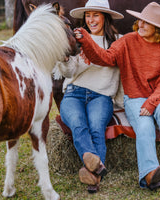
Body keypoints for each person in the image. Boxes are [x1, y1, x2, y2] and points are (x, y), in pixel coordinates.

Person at [75, 2, 160, 190]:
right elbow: (105, 57)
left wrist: (152, 102)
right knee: (144, 124)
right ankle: (149, 173)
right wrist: (86, 40)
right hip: (135, 95)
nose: (140, 25)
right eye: (140, 21)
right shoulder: (127, 41)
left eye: (146, 23)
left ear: (158, 29)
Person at [55, 0, 124, 193]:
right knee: (78, 124)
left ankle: (91, 174)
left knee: (96, 127)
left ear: (105, 17)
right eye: (88, 15)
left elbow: (124, 67)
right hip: (73, 93)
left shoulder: (118, 41)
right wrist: (65, 57)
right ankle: (96, 170)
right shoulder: (77, 38)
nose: (91, 19)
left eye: (96, 15)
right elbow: (69, 73)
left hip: (101, 95)